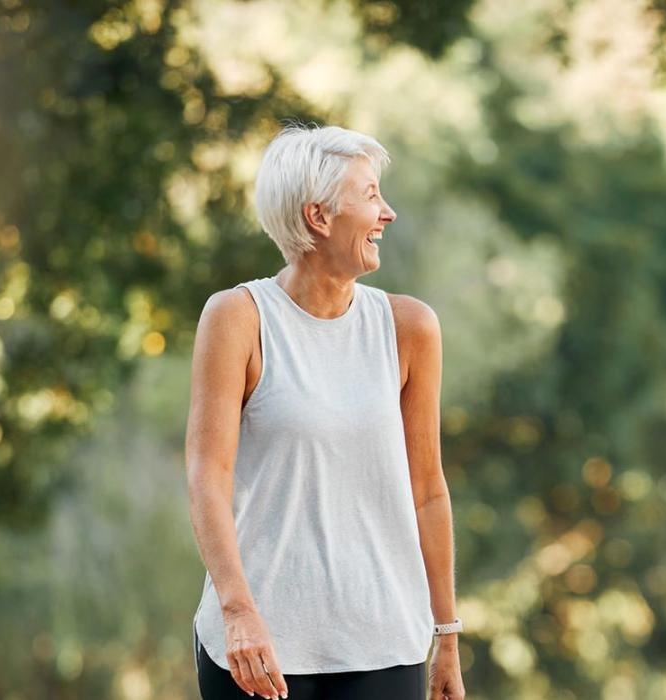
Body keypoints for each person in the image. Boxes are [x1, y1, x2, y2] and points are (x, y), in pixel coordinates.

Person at [185, 125, 466, 700]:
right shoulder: (238, 318)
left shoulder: (409, 328)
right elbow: (206, 476)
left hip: (384, 643)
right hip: (256, 647)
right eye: (369, 195)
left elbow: (428, 490)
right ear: (318, 216)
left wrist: (448, 635)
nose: (387, 212)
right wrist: (238, 612)